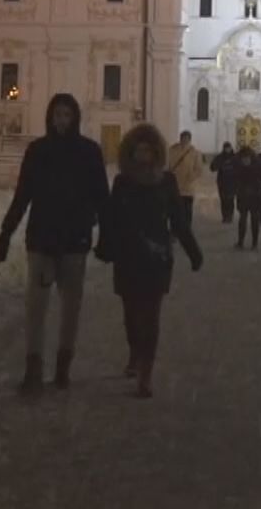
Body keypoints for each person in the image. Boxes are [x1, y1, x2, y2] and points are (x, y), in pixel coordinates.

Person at [0, 93, 108, 395]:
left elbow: (102, 198)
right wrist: (6, 232)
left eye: (67, 115)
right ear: (50, 117)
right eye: (57, 114)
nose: (61, 120)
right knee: (36, 308)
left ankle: (63, 367)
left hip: (74, 241)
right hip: (42, 240)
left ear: (75, 118)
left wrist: (108, 237)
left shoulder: (89, 152)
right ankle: (33, 368)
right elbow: (23, 195)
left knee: (71, 308)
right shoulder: (37, 151)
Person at [95, 124, 202, 399]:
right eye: (138, 150)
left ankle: (146, 373)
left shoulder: (166, 181)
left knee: (151, 316)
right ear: (131, 152)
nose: (143, 154)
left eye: (148, 149)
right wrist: (105, 247)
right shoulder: (122, 182)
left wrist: (193, 251)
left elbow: (178, 220)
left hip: (157, 257)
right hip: (128, 256)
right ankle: (134, 353)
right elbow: (111, 219)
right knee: (131, 315)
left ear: (156, 152)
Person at [167, 129, 204, 233]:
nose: (184, 140)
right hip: (174, 186)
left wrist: (191, 177)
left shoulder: (195, 153)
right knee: (174, 210)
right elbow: (167, 166)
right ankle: (174, 231)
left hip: (188, 187)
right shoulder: (172, 150)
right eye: (183, 138)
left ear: (189, 140)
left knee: (187, 210)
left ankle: (186, 230)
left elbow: (199, 169)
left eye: (186, 139)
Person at [232, 142, 261, 249]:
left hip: (254, 197)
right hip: (243, 196)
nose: (245, 161)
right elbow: (236, 180)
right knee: (242, 219)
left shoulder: (257, 167)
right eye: (243, 159)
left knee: (254, 220)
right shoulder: (238, 167)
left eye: (247, 159)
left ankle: (254, 242)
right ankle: (241, 241)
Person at [210, 141, 238, 223]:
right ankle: (225, 216)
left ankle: (230, 216)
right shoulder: (220, 157)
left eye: (229, 148)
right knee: (223, 200)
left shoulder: (235, 157)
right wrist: (218, 165)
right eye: (226, 148)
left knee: (230, 199)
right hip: (222, 182)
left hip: (232, 182)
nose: (227, 149)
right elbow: (212, 168)